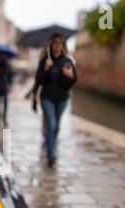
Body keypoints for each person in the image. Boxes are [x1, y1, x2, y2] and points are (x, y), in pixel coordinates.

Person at [32, 33, 77, 168]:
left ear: (63, 45)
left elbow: (73, 81)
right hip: (47, 98)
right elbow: (39, 81)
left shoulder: (67, 61)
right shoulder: (45, 61)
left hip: (62, 99)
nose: (57, 45)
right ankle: (51, 156)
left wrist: (70, 76)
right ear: (51, 44)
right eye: (55, 43)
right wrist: (46, 69)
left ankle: (51, 141)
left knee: (56, 126)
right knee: (51, 124)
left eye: (60, 43)